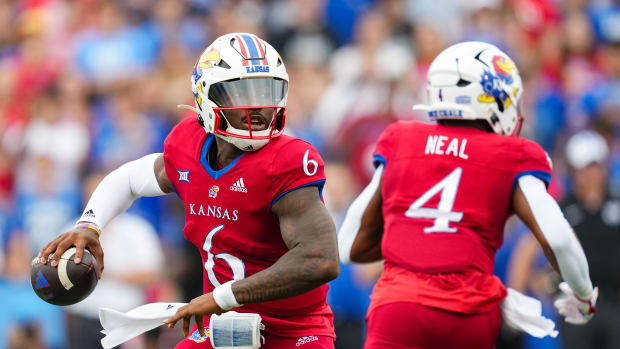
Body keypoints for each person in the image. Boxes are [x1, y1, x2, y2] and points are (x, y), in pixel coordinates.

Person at [37, 33, 339, 349]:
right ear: (207, 97)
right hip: (220, 326)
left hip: (293, 330)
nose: (259, 107)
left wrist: (221, 297)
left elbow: (320, 259)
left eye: (266, 90)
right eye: (241, 93)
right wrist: (90, 225)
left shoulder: (287, 159)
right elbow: (129, 178)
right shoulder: (188, 145)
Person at [337, 41, 598, 349]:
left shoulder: (401, 138)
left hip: (397, 308)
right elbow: (558, 236)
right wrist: (583, 296)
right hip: (468, 311)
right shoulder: (512, 154)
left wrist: (416, 246)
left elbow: (348, 245)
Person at [559, 130, 620, 349]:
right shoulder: (564, 208)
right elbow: (529, 247)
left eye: (595, 167)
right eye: (584, 168)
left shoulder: (617, 203)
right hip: (577, 306)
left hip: (615, 302)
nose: (590, 175)